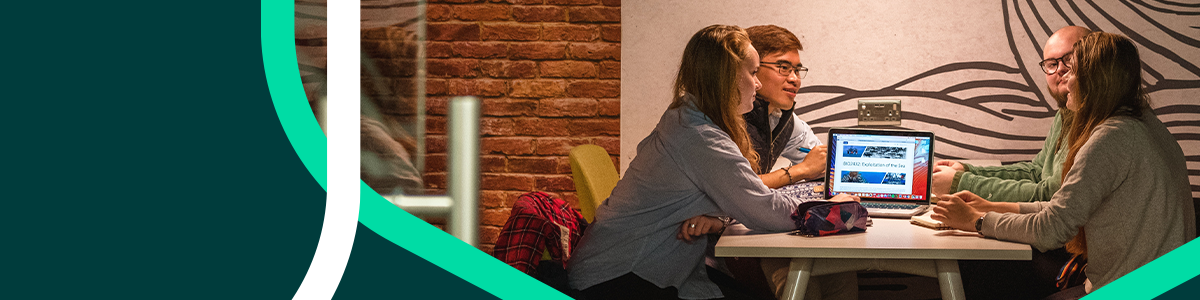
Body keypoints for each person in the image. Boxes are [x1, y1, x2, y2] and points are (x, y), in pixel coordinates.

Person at [566, 24, 859, 300]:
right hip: (620, 282)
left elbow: (736, 195)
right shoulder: (700, 137)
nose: (756, 84)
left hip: (651, 269)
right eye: (753, 73)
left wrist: (720, 216)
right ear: (727, 78)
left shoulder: (688, 117)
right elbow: (768, 212)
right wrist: (835, 208)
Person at [931, 32, 1196, 300]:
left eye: (1072, 70)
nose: (1064, 78)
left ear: (1096, 80)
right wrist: (989, 206)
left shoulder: (1112, 138)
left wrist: (976, 221)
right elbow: (1065, 206)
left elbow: (1051, 229)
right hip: (1173, 281)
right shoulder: (1146, 124)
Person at [932, 26, 1091, 299]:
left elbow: (1052, 199)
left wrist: (977, 209)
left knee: (986, 265)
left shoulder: (1100, 127)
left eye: (1070, 60)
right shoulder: (1068, 112)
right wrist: (968, 172)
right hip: (1076, 242)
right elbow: (1037, 172)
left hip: (1094, 259)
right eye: (1052, 64)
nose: (1061, 70)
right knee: (978, 260)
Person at [742, 25, 826, 189]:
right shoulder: (722, 118)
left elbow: (821, 163)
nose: (795, 79)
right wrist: (802, 169)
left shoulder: (782, 118)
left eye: (797, 70)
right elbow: (739, 187)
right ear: (753, 68)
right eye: (784, 68)